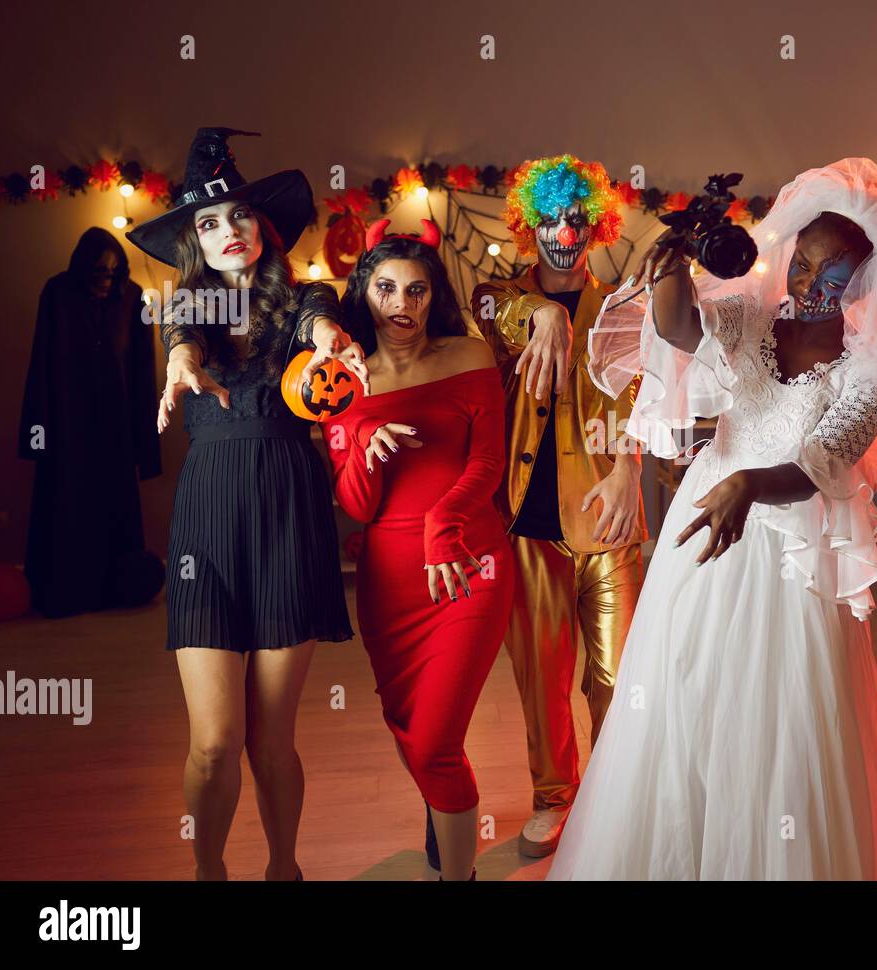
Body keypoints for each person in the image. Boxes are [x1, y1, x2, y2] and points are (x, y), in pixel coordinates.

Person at [548, 158, 877, 879]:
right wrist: (672, 266)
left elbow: (822, 467)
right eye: (801, 265)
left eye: (830, 276)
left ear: (864, 283)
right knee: (683, 694)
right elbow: (681, 329)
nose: (807, 286)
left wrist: (749, 482)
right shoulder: (752, 318)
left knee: (786, 726)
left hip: (792, 557)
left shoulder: (868, 370)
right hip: (706, 530)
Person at [127, 127, 365, 880]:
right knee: (213, 740)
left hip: (291, 518)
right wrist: (181, 365)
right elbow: (182, 338)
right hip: (208, 523)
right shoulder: (183, 306)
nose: (228, 232)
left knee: (271, 739)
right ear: (195, 241)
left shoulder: (304, 296)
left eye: (238, 216)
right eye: (208, 223)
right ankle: (209, 870)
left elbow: (316, 318)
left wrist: (327, 335)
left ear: (262, 225)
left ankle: (284, 869)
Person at [325, 218, 512, 883]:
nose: (402, 305)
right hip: (391, 583)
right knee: (414, 738)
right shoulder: (345, 383)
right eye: (386, 289)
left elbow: (490, 463)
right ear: (364, 293)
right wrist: (367, 458)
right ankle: (445, 833)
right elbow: (356, 507)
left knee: (435, 743)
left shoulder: (469, 356)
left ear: (435, 296)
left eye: (417, 290)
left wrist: (444, 523)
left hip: (469, 564)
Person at [470, 155, 646, 857]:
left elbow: (647, 398)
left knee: (617, 675)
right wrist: (541, 310)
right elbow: (492, 312)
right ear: (528, 225)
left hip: (608, 519)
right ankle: (554, 797)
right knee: (541, 678)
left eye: (577, 218)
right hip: (526, 522)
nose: (565, 231)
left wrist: (631, 469)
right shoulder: (497, 298)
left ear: (594, 224)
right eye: (550, 219)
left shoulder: (624, 306)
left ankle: (614, 800)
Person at [18, 227, 163, 617]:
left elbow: (142, 372)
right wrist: (37, 435)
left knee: (113, 505)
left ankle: (115, 587)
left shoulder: (132, 298)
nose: (105, 280)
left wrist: (145, 446)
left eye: (112, 273)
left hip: (115, 425)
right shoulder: (58, 293)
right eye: (99, 271)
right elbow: (42, 364)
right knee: (67, 505)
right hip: (67, 424)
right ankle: (66, 590)